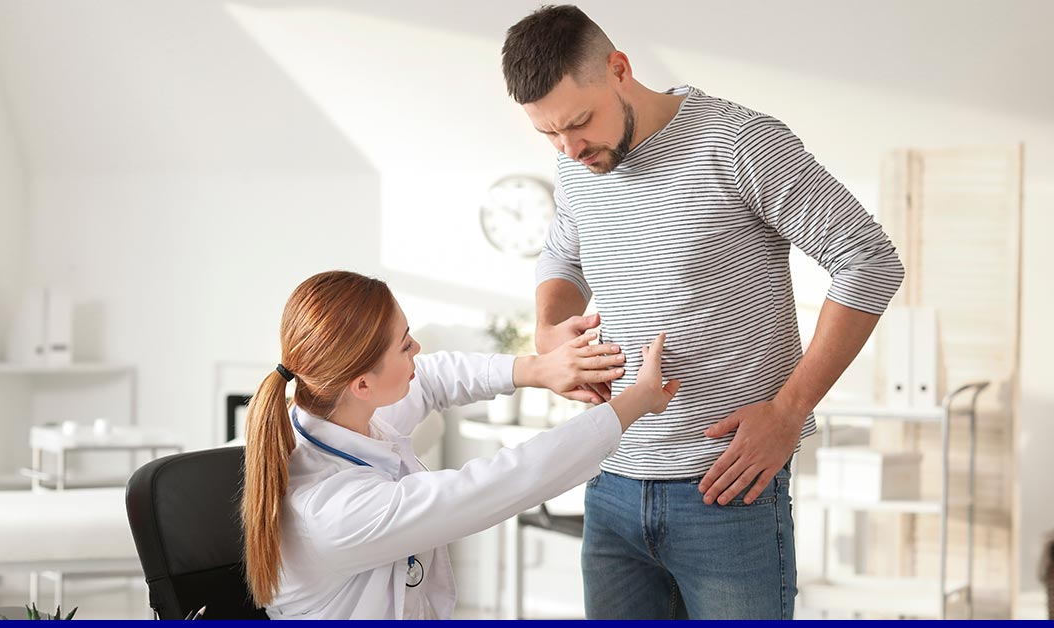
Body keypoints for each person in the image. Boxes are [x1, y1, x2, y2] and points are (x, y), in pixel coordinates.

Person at [500, 5, 905, 620]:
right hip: (609, 481)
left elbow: (869, 260)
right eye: (548, 134)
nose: (569, 147)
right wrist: (550, 329)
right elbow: (562, 255)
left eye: (579, 123)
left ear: (619, 68)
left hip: (727, 486)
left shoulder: (741, 143)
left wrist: (791, 411)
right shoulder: (576, 160)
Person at [241, 270, 680, 619]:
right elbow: (503, 482)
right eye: (403, 345)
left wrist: (537, 370)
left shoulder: (332, 416)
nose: (417, 348)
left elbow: (431, 379)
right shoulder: (335, 512)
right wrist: (633, 403)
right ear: (361, 384)